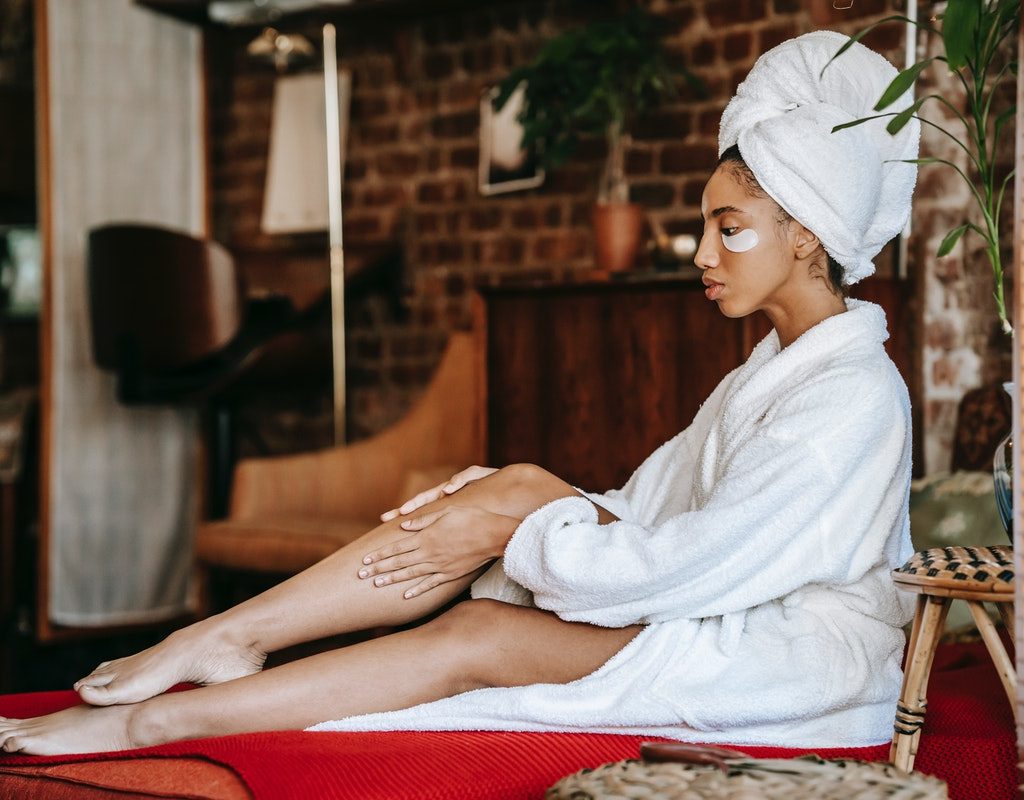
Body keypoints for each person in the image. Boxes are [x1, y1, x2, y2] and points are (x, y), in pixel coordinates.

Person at [0, 30, 920, 756]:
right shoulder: (769, 372)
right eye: (703, 225)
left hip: (786, 657)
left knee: (480, 626)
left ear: (806, 236)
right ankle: (220, 636)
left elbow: (686, 566)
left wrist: (518, 531)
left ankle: (156, 724)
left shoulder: (849, 397)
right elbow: (645, 513)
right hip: (714, 598)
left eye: (729, 228)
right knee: (514, 483)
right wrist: (509, 508)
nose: (701, 252)